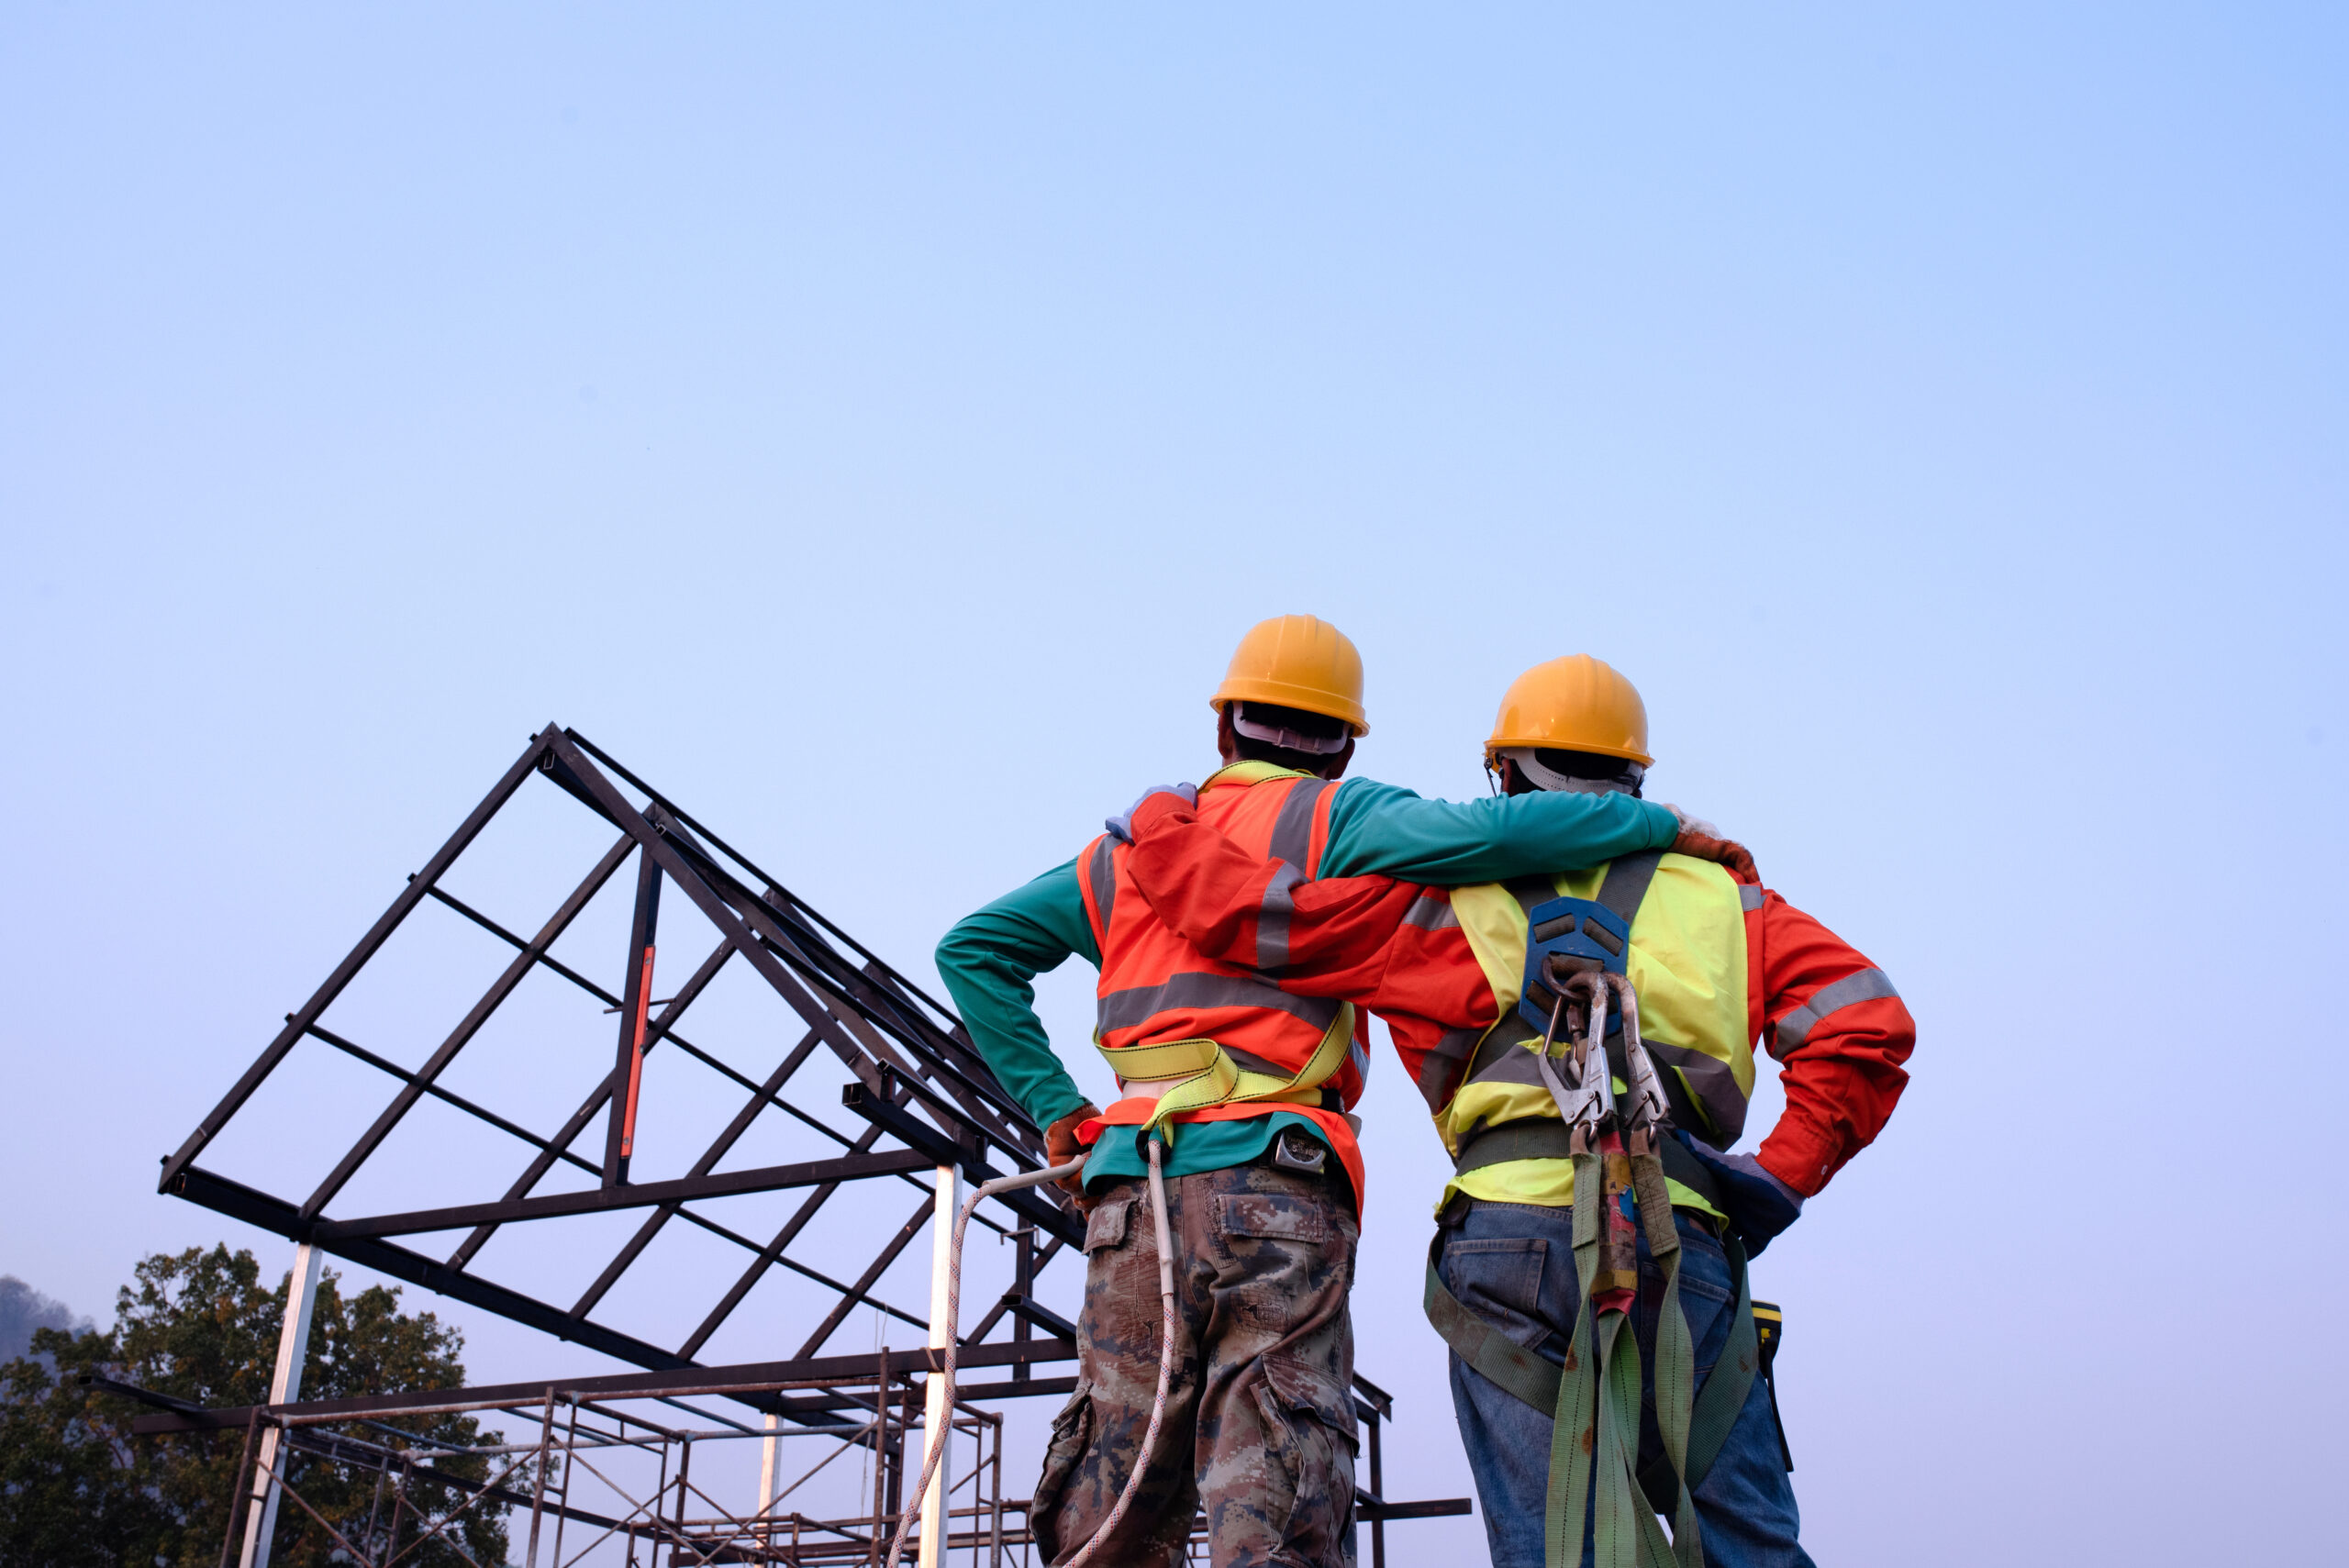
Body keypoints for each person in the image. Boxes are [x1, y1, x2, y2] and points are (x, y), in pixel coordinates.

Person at [934, 619, 1731, 1568]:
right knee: (1275, 1469)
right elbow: (1507, 832)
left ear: (1225, 724)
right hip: (1274, 1183)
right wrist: (1659, 825)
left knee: (1116, 1480)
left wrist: (1053, 1104)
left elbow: (972, 948)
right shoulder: (1336, 820)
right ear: (1345, 740)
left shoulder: (1119, 857)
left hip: (1129, 1193)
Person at [1105, 653, 1915, 1568]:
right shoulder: (1733, 900)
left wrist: (1161, 823)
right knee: (1745, 1539)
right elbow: (1863, 1022)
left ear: (1504, 773)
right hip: (1677, 1231)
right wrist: (1777, 1172)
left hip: (1504, 1245)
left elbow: (1253, 918)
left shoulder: (1442, 901)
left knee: (1550, 1545)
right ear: (1635, 776)